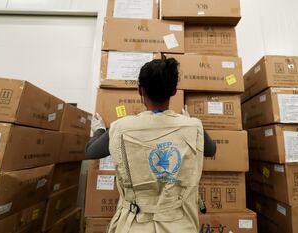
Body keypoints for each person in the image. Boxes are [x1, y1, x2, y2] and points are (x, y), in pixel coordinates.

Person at [85, 56, 216, 233]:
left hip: (133, 226)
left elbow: (91, 152)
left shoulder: (121, 128)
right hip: (181, 225)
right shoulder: (194, 127)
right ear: (174, 91)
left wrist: (100, 130)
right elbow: (211, 149)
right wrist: (188, 121)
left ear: (140, 90)